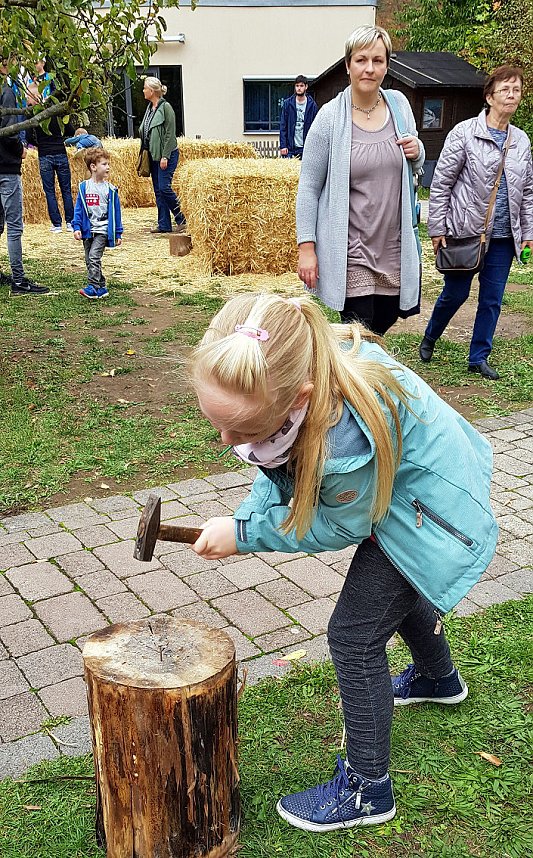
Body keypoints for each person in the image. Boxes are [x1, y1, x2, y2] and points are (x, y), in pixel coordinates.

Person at [189, 292, 497, 833]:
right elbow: (280, 474)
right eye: (220, 426)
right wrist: (242, 516)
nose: (227, 440)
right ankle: (438, 678)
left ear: (299, 398)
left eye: (242, 430)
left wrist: (244, 535)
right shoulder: (297, 363)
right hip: (411, 495)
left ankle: (368, 790)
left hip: (432, 515)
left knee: (353, 635)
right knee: (393, 597)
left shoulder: (342, 439)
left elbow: (337, 523)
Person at [297, 25, 424, 335]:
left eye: (378, 61)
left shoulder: (400, 107)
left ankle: (357, 378)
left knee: (384, 322)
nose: (370, 68)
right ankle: (355, 381)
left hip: (392, 248)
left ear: (387, 66)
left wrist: (417, 151)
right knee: (359, 333)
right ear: (348, 65)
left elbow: (414, 165)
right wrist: (307, 248)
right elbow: (309, 188)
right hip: (351, 251)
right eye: (361, 60)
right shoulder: (329, 118)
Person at [420, 65, 533, 380]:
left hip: (503, 237)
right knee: (456, 294)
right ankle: (430, 336)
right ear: (489, 96)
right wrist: (438, 228)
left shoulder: (521, 141)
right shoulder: (464, 133)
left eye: (517, 90)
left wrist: (528, 234)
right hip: (466, 232)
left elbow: (527, 192)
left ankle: (478, 357)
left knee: (492, 299)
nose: (511, 95)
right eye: (505, 90)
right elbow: (441, 184)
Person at [0, 62, 48, 295]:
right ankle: (18, 280)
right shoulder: (6, 91)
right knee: (14, 227)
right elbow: (9, 129)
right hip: (6, 167)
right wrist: (19, 148)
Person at [72, 147, 123, 300]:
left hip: (102, 230)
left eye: (108, 164)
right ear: (93, 167)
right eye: (104, 164)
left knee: (94, 257)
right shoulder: (84, 187)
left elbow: (116, 213)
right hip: (88, 230)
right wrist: (76, 227)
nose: (108, 167)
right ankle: (101, 287)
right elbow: (79, 209)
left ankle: (93, 287)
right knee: (89, 259)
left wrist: (118, 232)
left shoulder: (110, 190)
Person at [139, 76, 186, 234]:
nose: (143, 90)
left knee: (164, 188)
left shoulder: (166, 108)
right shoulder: (149, 108)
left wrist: (165, 156)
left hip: (167, 155)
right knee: (158, 191)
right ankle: (164, 224)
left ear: (152, 91)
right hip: (153, 155)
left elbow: (169, 135)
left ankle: (182, 219)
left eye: (145, 88)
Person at [26, 82, 75, 233]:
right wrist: (59, 138)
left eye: (29, 97)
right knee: (66, 189)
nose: (27, 100)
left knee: (50, 191)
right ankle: (70, 222)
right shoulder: (57, 111)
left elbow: (28, 137)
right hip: (60, 151)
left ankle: (56, 224)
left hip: (45, 154)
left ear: (36, 97)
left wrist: (39, 143)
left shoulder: (34, 114)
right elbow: (71, 130)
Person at [279, 75, 318, 159]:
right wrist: (283, 146)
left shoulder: (312, 105)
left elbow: (316, 128)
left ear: (306, 87)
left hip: (306, 148)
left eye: (301, 86)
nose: (299, 88)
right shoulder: (288, 104)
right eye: (297, 86)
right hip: (290, 148)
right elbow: (283, 126)